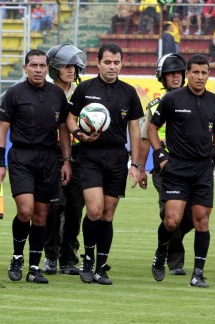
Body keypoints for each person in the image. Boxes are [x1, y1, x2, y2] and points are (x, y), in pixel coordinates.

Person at [149, 54, 215, 288]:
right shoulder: (172, 99)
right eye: (195, 72)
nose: (200, 77)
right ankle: (161, 250)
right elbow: (153, 128)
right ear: (187, 74)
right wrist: (161, 157)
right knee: (172, 221)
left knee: (201, 221)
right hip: (176, 168)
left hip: (203, 169)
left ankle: (198, 273)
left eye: (204, 73)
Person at [66, 43, 144, 285]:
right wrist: (80, 134)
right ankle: (87, 260)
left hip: (117, 158)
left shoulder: (129, 92)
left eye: (117, 62)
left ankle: (101, 266)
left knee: (108, 215)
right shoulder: (85, 89)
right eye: (108, 62)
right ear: (97, 63)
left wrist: (136, 163)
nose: (112, 66)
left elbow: (134, 128)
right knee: (95, 210)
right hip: (89, 156)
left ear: (121, 63)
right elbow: (69, 118)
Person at [0, 49, 71, 285]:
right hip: (21, 158)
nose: (38, 70)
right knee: (25, 210)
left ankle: (34, 267)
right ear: (25, 68)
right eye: (33, 65)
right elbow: (2, 130)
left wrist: (66, 160)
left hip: (49, 158)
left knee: (41, 216)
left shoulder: (57, 94)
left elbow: (64, 130)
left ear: (48, 69)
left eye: (42, 66)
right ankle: (17, 258)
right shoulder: (14, 94)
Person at [138, 53, 194, 277]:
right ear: (162, 78)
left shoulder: (197, 101)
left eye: (179, 74)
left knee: (190, 215)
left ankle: (164, 243)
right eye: (170, 74)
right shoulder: (155, 106)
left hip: (193, 167)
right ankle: (175, 261)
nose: (176, 78)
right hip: (165, 169)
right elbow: (144, 138)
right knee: (169, 214)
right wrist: (141, 168)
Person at [41, 45, 87, 276]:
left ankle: (69, 257)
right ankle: (50, 255)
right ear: (54, 69)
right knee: (53, 205)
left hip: (80, 156)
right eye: (66, 66)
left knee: (75, 208)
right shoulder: (46, 92)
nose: (72, 70)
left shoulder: (83, 92)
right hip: (51, 155)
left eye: (74, 66)